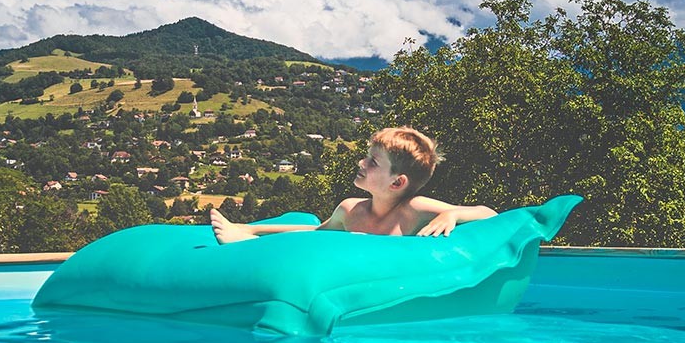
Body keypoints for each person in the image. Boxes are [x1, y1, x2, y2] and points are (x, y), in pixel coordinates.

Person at [209, 127, 496, 243]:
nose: (361, 163)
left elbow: (489, 214)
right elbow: (313, 233)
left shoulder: (413, 210)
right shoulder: (350, 209)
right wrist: (251, 229)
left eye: (373, 162)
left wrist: (453, 214)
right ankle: (248, 234)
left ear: (397, 182)